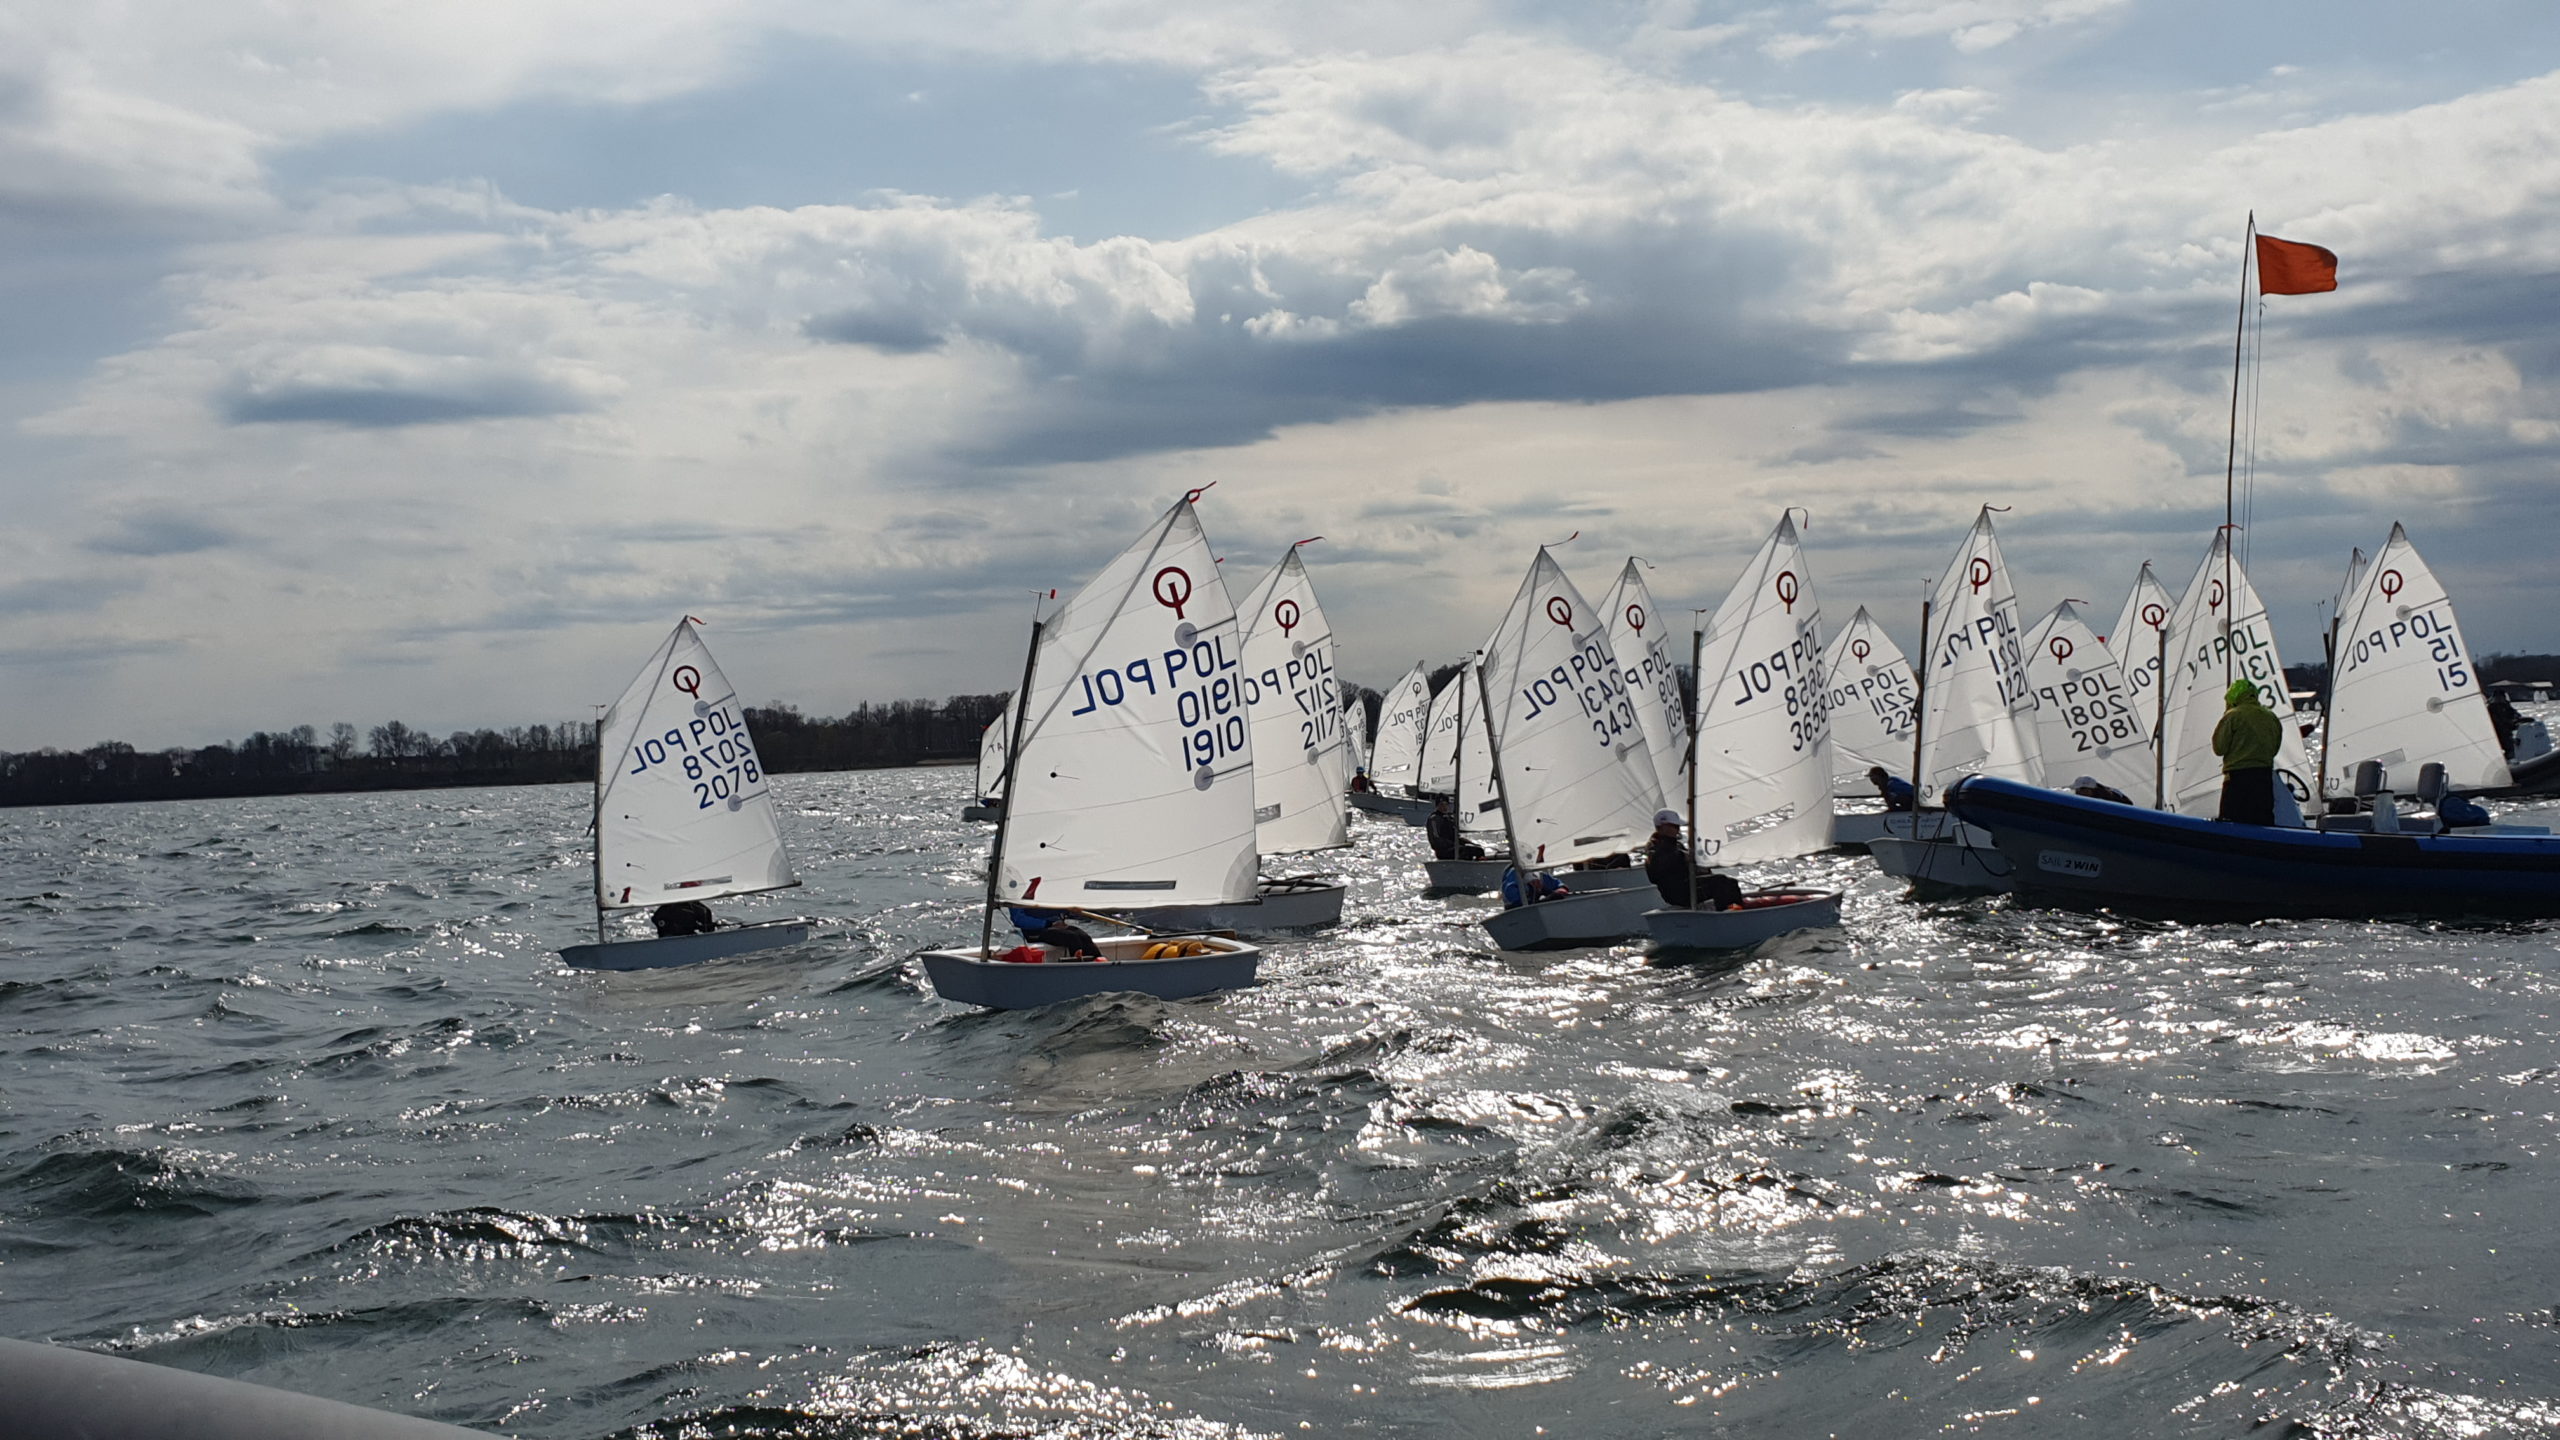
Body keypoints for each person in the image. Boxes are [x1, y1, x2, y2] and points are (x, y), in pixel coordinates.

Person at [2211, 678, 2283, 825]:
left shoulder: (2233, 716)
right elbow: (2274, 749)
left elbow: (2219, 748)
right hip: (2264, 780)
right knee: (2263, 825)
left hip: (2237, 780)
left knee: (2230, 825)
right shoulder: (2271, 717)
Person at [1643, 809, 1743, 910]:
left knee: (1730, 883)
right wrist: (1683, 857)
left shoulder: (1676, 844)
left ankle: (1736, 909)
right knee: (1720, 883)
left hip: (1687, 886)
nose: (1677, 829)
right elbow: (1654, 874)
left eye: (1678, 826)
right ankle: (1725, 913)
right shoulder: (1654, 847)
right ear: (1662, 826)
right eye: (1674, 826)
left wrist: (1700, 866)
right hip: (1677, 892)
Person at [1006, 904, 1102, 960]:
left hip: (1055, 926)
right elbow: (1018, 919)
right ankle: (1077, 969)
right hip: (1033, 931)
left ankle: (1098, 963)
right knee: (1072, 938)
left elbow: (1053, 910)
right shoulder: (1017, 892)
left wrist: (1070, 909)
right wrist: (1048, 924)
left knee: (1084, 937)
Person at [1499, 864, 1567, 909]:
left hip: (1535, 909)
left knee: (1556, 896)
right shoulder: (1514, 874)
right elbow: (1513, 897)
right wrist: (1530, 888)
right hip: (1516, 911)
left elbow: (1558, 884)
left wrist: (1561, 888)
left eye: (1538, 882)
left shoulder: (1540, 875)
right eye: (1534, 882)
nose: (1537, 884)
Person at [651, 900, 717, 937]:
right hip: (668, 938)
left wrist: (704, 927)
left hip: (689, 938)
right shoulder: (667, 907)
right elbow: (656, 919)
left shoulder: (699, 908)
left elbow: (708, 929)